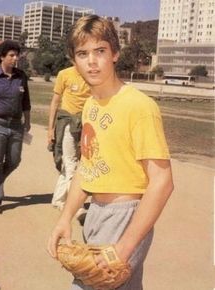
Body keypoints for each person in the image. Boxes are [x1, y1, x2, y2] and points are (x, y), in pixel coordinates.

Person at [47, 15, 174, 290]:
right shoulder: (91, 106)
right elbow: (86, 167)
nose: (91, 61)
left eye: (100, 51)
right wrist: (65, 218)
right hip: (96, 213)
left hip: (125, 215)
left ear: (115, 53)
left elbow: (162, 182)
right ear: (73, 60)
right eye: (83, 53)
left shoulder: (139, 106)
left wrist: (124, 247)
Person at [0, 40, 31, 214]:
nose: (15, 58)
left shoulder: (21, 76)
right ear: (2, 57)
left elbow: (26, 101)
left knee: (14, 161)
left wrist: (28, 121)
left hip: (16, 125)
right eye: (11, 55)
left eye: (17, 55)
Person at [47, 66, 90, 211]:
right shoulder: (64, 74)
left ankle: (58, 199)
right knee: (71, 164)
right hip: (66, 124)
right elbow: (55, 102)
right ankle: (77, 205)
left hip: (85, 126)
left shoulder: (92, 75)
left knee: (76, 164)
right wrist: (50, 129)